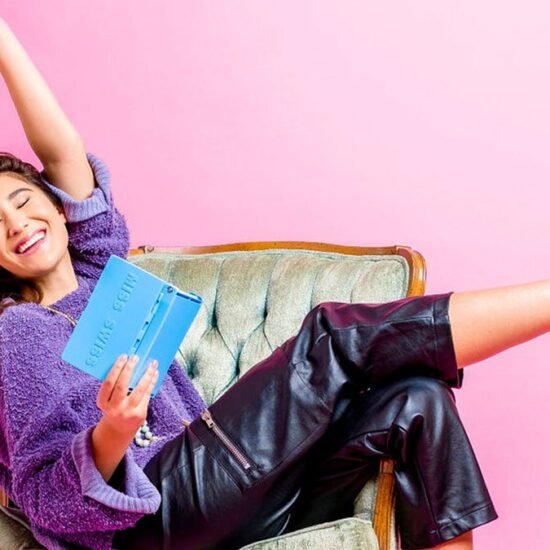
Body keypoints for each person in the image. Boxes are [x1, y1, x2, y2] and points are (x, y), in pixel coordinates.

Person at [1, 17, 545, 550]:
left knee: (416, 402)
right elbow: (45, 499)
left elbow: (61, 151)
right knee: (328, 336)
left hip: (228, 498)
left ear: (58, 204)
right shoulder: (14, 335)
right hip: (157, 516)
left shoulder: (100, 272)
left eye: (23, 201)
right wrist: (113, 432)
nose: (18, 224)